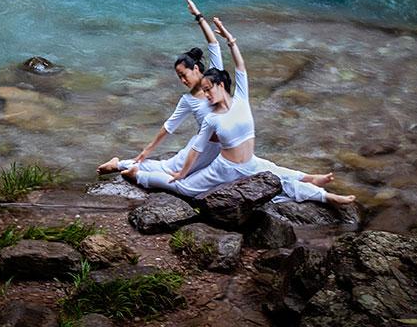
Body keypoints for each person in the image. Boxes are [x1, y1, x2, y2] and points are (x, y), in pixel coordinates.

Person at [126, 14, 356, 207]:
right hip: (224, 169)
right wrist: (182, 173)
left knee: (276, 173)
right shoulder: (212, 118)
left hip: (248, 163)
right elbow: (196, 149)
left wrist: (231, 41)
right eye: (204, 91)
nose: (206, 95)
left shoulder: (241, 98)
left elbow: (240, 67)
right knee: (183, 187)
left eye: (208, 89)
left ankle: (324, 195)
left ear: (221, 85)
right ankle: (140, 175)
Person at [97, 0, 223, 177]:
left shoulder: (215, 77)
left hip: (227, 146)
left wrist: (198, 16)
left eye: (184, 74)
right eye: (179, 77)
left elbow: (214, 44)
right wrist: (147, 150)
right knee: (170, 170)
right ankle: (120, 164)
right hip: (204, 147)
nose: (183, 80)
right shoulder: (188, 100)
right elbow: (169, 126)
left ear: (196, 68)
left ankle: (124, 165)